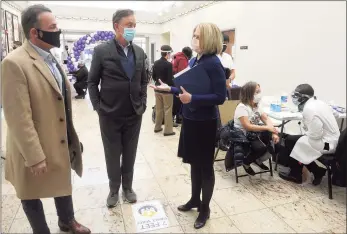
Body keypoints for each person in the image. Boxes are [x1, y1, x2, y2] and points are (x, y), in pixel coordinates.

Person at [1, 4, 90, 234]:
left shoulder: (51, 57)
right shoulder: (14, 63)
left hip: (57, 138)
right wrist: (34, 156)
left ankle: (67, 220)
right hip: (31, 145)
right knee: (30, 191)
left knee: (62, 180)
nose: (57, 31)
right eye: (52, 27)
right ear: (34, 32)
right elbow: (18, 117)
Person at [150, 23, 226, 229]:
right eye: (193, 35)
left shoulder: (213, 63)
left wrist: (193, 98)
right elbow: (187, 87)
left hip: (205, 122)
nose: (194, 39)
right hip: (191, 119)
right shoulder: (195, 59)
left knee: (205, 167)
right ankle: (194, 199)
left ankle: (205, 208)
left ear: (209, 39)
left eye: (198, 36)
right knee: (193, 163)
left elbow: (220, 97)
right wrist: (169, 89)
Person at [88, 9, 148, 208]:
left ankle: (128, 187)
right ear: (116, 26)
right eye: (129, 25)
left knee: (130, 152)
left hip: (134, 113)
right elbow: (92, 82)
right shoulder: (101, 51)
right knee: (112, 153)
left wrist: (143, 103)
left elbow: (143, 81)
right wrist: (98, 107)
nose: (133, 28)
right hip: (109, 114)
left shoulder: (139, 52)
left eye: (134, 25)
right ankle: (114, 188)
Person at [279, 84, 340, 185]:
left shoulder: (309, 109)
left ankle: (296, 175)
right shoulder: (319, 103)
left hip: (327, 145)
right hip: (333, 141)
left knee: (292, 141)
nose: (294, 98)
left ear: (304, 97)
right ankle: (315, 171)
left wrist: (305, 133)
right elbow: (335, 114)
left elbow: (315, 135)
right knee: (293, 140)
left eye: (296, 96)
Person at [233, 81, 280, 175]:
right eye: (257, 92)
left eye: (259, 91)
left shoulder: (256, 106)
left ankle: (257, 160)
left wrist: (274, 132)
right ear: (249, 93)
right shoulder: (242, 107)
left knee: (277, 144)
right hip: (242, 134)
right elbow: (248, 126)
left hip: (254, 133)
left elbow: (266, 119)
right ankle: (246, 162)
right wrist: (267, 128)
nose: (259, 94)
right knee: (260, 148)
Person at [152, 45, 176, 136]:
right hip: (166, 90)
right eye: (170, 53)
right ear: (167, 53)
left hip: (157, 89)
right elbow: (170, 80)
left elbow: (154, 76)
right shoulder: (169, 64)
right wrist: (174, 89)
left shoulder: (156, 63)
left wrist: (158, 83)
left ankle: (157, 127)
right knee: (168, 109)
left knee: (159, 109)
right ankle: (168, 130)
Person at [172, 47, 193, 124]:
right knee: (178, 103)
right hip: (180, 84)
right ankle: (178, 119)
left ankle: (176, 118)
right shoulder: (183, 59)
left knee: (176, 102)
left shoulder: (177, 57)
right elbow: (183, 73)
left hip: (175, 82)